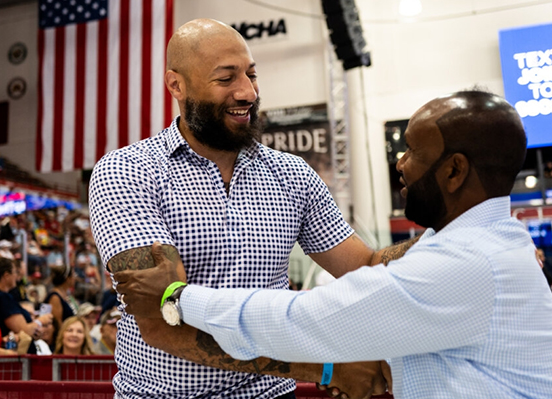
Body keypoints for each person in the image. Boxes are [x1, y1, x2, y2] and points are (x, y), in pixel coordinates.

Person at [117, 90, 552, 398]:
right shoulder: (475, 246)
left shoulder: (467, 263)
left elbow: (306, 318)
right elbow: (373, 269)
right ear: (176, 85)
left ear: (453, 170)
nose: (400, 163)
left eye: (413, 151)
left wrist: (180, 296)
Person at [89, 18, 414, 399]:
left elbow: (365, 266)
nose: (247, 92)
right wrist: (323, 367)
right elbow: (163, 320)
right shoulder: (127, 171)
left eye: (252, 74)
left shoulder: (291, 174)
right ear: (176, 84)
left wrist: (447, 238)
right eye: (225, 79)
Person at [0, 257, 53, 354]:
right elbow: (24, 331)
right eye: (15, 272)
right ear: (6, 275)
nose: (18, 276)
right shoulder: (3, 298)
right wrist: (41, 321)